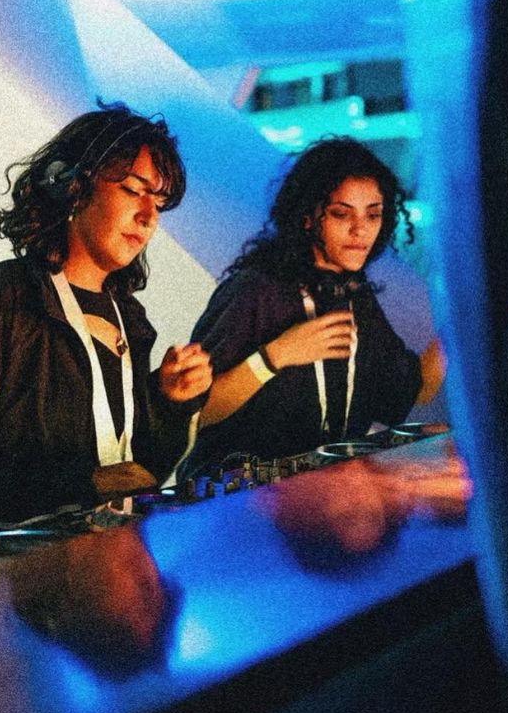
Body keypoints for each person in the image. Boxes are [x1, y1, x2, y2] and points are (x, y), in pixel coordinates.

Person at [0, 103, 212, 547]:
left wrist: (169, 405)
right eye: (132, 190)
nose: (149, 216)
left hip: (94, 568)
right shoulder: (1, 300)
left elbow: (133, 477)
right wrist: (77, 486)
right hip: (1, 582)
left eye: (159, 203)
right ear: (69, 186)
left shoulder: (129, 319)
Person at [182, 137, 445, 478]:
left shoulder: (354, 297)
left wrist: (460, 322)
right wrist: (273, 357)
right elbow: (192, 415)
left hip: (319, 492)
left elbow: (415, 390)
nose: (360, 229)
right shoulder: (255, 290)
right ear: (308, 217)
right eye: (341, 213)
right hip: (236, 496)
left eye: (373, 215)